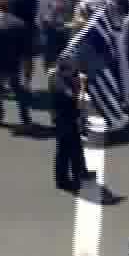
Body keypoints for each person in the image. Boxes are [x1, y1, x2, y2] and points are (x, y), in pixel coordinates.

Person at [50, 57, 87, 192]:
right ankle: (63, 180)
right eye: (73, 70)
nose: (75, 72)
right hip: (64, 120)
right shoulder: (61, 85)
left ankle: (79, 172)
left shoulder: (61, 79)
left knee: (76, 148)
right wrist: (81, 87)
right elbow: (77, 101)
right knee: (65, 151)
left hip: (67, 118)